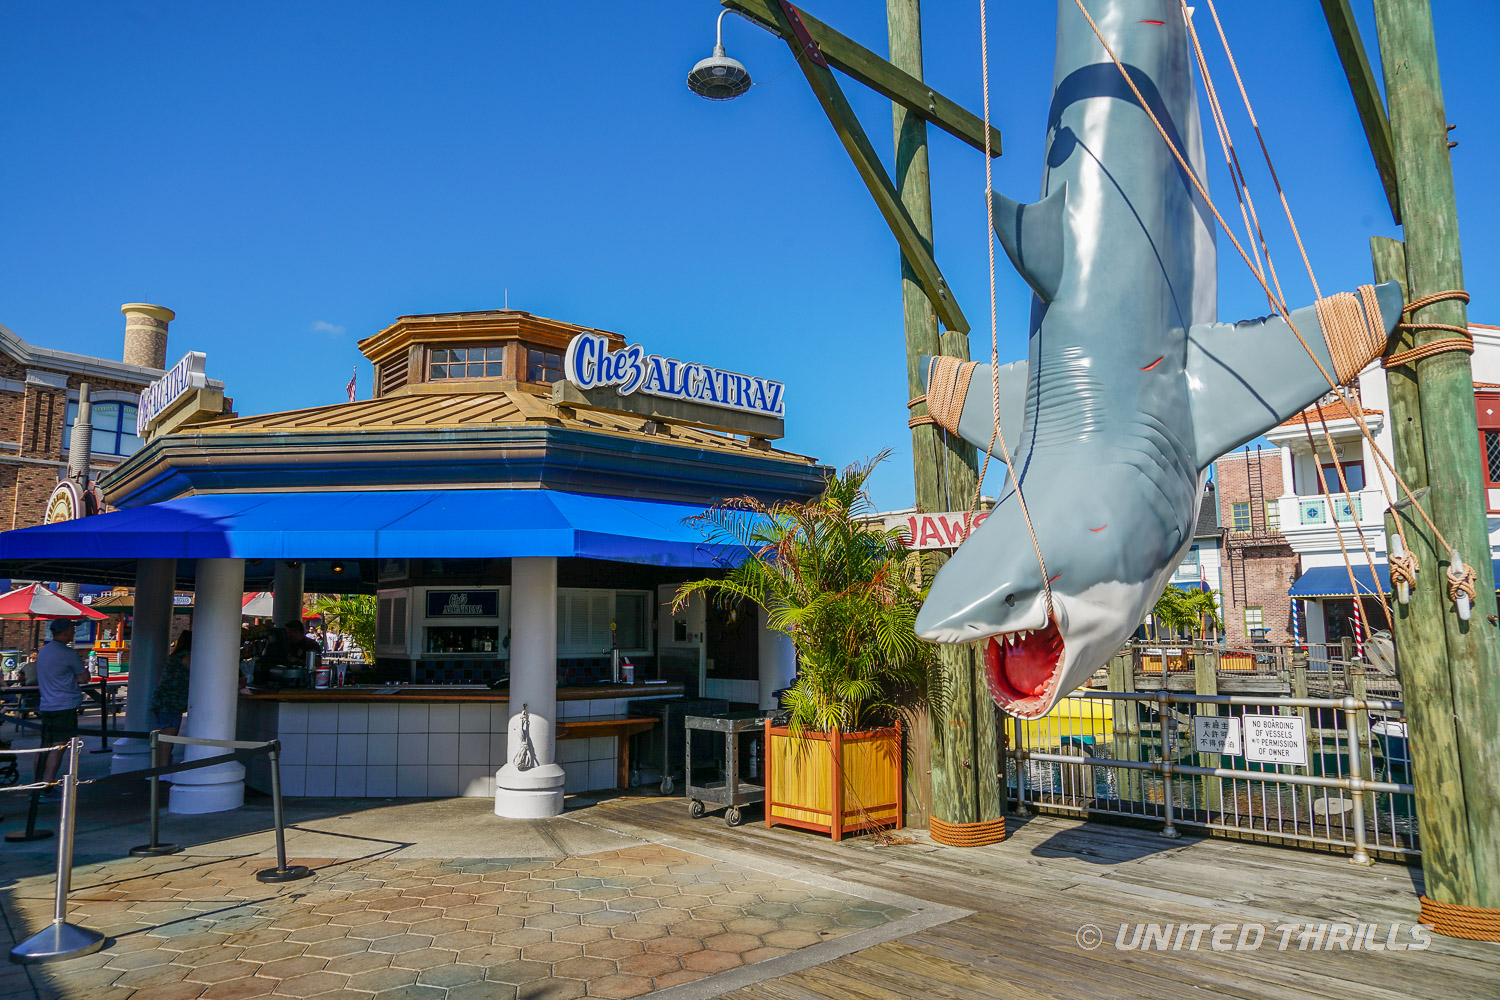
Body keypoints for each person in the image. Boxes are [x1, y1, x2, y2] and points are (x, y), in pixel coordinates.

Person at [35, 619, 88, 794]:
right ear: (65, 632)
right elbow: (83, 677)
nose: (73, 633)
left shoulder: (43, 652)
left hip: (47, 704)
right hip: (64, 705)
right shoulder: (68, 654)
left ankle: (37, 783)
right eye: (72, 630)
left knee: (45, 744)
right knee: (59, 746)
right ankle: (48, 785)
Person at [149, 631, 192, 768]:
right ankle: (162, 770)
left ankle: (158, 767)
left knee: (162, 737)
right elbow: (202, 673)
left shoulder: (176, 656)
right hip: (172, 702)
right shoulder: (187, 657)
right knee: (168, 738)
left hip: (164, 700)